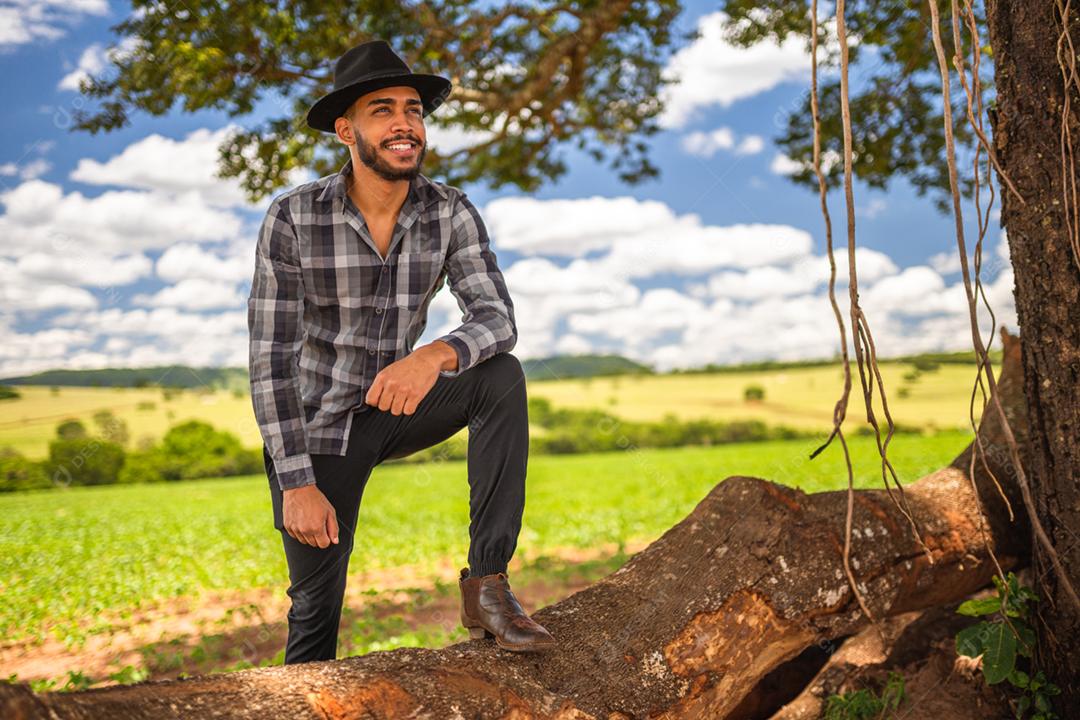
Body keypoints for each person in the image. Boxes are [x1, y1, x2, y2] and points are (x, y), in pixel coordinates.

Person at [247, 39, 556, 663]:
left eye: (413, 110)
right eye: (382, 110)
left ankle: (487, 586)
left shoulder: (450, 210)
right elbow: (269, 359)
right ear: (346, 131)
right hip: (317, 434)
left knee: (501, 377)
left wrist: (433, 356)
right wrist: (295, 483)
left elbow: (497, 319)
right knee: (314, 613)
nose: (403, 124)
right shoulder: (294, 217)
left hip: (395, 405)